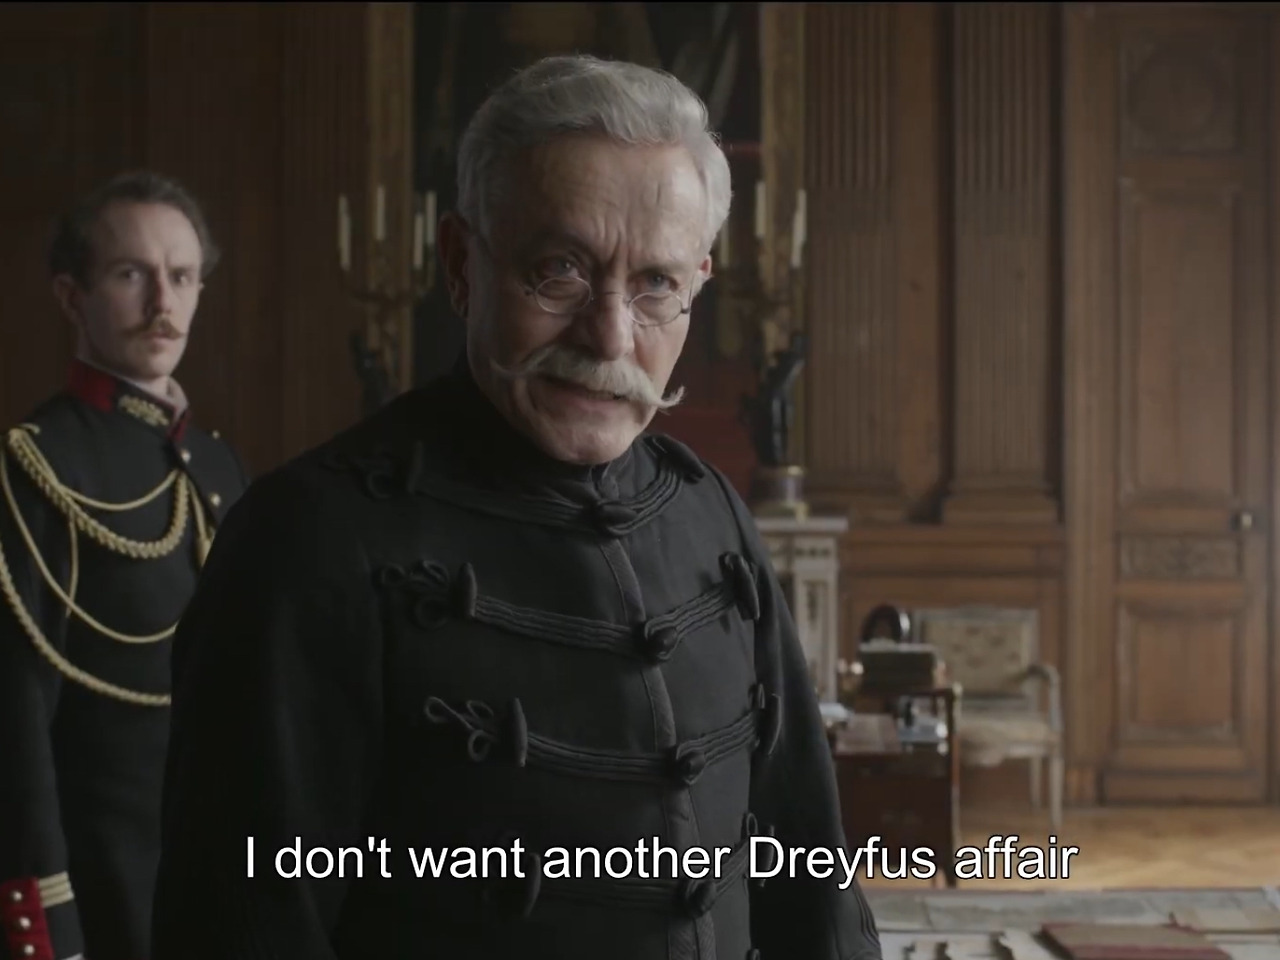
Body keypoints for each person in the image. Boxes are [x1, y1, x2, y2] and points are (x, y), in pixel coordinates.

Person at [150, 56, 882, 960]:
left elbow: (809, 872)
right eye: (559, 271)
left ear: (698, 282)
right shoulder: (306, 540)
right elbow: (242, 929)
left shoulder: (712, 514)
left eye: (656, 284)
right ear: (462, 264)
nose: (610, 336)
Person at [0, 171, 250, 960]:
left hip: (218, 884)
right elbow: (14, 722)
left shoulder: (217, 468)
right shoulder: (39, 466)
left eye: (182, 275)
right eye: (130, 274)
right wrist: (44, 923)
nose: (161, 302)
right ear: (71, 296)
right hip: (104, 893)